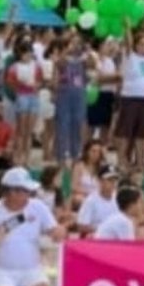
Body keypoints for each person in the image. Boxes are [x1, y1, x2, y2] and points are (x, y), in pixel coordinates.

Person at [0, 167, 65, 286]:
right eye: (25, 191)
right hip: (1, 271)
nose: (29, 194)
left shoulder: (37, 206)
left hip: (31, 270)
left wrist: (58, 232)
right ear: (11, 192)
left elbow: (55, 231)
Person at [114, 30, 144, 168]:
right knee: (126, 131)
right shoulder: (130, 56)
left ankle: (140, 161)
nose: (143, 47)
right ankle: (121, 160)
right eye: (141, 44)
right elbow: (128, 42)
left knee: (141, 133)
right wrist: (127, 27)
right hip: (130, 98)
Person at [53, 34, 90, 164]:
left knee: (77, 124)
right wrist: (67, 51)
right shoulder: (62, 58)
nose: (76, 45)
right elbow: (59, 64)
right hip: (64, 95)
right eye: (73, 42)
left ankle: (75, 154)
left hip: (79, 95)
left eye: (78, 43)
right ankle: (61, 156)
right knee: (63, 124)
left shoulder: (83, 59)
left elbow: (92, 67)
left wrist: (87, 52)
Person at [6, 41, 42, 165]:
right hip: (22, 96)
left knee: (29, 130)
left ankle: (26, 156)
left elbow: (40, 79)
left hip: (33, 96)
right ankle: (19, 155)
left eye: (29, 52)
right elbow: (10, 82)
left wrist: (37, 85)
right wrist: (20, 85)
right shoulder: (15, 67)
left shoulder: (36, 66)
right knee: (21, 129)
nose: (27, 55)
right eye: (25, 52)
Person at [87, 38, 120, 145]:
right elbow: (98, 78)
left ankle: (101, 150)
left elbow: (117, 78)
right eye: (107, 44)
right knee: (91, 123)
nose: (109, 47)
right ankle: (87, 148)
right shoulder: (93, 57)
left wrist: (113, 77)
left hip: (108, 94)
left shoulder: (110, 61)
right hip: (96, 94)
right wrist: (114, 77)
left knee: (105, 124)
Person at [77, 165, 120, 237]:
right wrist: (104, 229)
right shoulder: (91, 201)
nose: (113, 183)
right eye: (109, 180)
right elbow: (82, 226)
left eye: (115, 180)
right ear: (100, 181)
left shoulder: (119, 198)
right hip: (98, 239)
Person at [71, 140, 105, 208]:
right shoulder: (79, 166)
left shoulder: (102, 168)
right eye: (93, 151)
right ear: (87, 152)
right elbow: (74, 186)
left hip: (98, 196)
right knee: (79, 199)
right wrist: (88, 193)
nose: (96, 154)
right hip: (82, 195)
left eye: (98, 152)